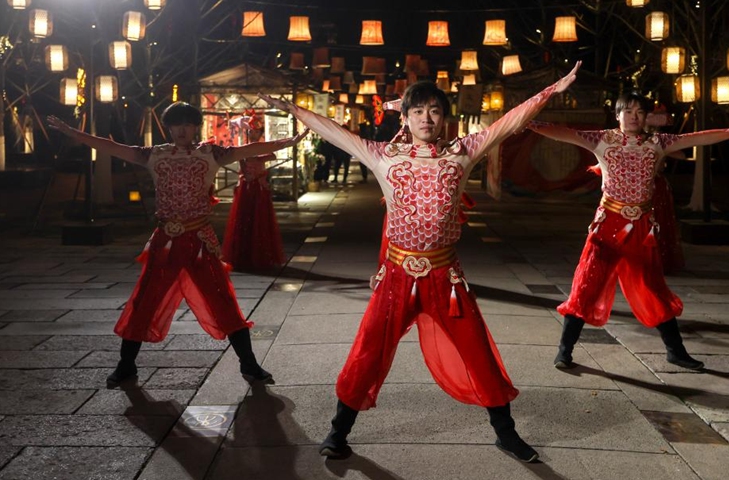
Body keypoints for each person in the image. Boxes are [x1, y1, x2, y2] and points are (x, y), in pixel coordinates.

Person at [260, 61, 581, 464]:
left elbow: (509, 122)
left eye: (434, 111)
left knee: (478, 351)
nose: (426, 118)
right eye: (418, 111)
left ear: (444, 118)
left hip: (446, 278)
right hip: (397, 275)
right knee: (369, 352)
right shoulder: (382, 156)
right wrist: (294, 110)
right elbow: (336, 132)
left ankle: (507, 433)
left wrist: (552, 89)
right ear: (406, 116)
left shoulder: (461, 154)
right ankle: (337, 432)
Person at [47, 102, 305, 387]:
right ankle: (125, 366)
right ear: (169, 127)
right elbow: (111, 147)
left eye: (188, 124)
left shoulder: (210, 153)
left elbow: (249, 150)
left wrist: (289, 141)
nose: (182, 130)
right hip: (165, 242)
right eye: (176, 124)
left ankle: (250, 364)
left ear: (195, 127)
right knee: (145, 299)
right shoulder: (154, 155)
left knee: (223, 300)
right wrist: (74, 132)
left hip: (199, 242)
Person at [528, 92, 729, 371]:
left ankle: (675, 352)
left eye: (639, 112)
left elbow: (697, 138)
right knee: (587, 284)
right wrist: (531, 123)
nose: (633, 117)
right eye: (627, 111)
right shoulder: (602, 140)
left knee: (652, 286)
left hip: (641, 225)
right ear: (617, 115)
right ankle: (564, 352)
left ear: (646, 117)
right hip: (609, 223)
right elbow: (565, 133)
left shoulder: (657, 142)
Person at [222, 117, 308, 273]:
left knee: (260, 219)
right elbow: (244, 168)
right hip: (248, 188)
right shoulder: (244, 150)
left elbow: (273, 155)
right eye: (252, 131)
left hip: (259, 188)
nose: (254, 134)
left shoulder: (258, 150)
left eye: (256, 132)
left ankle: (259, 255)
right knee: (246, 219)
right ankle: (245, 255)